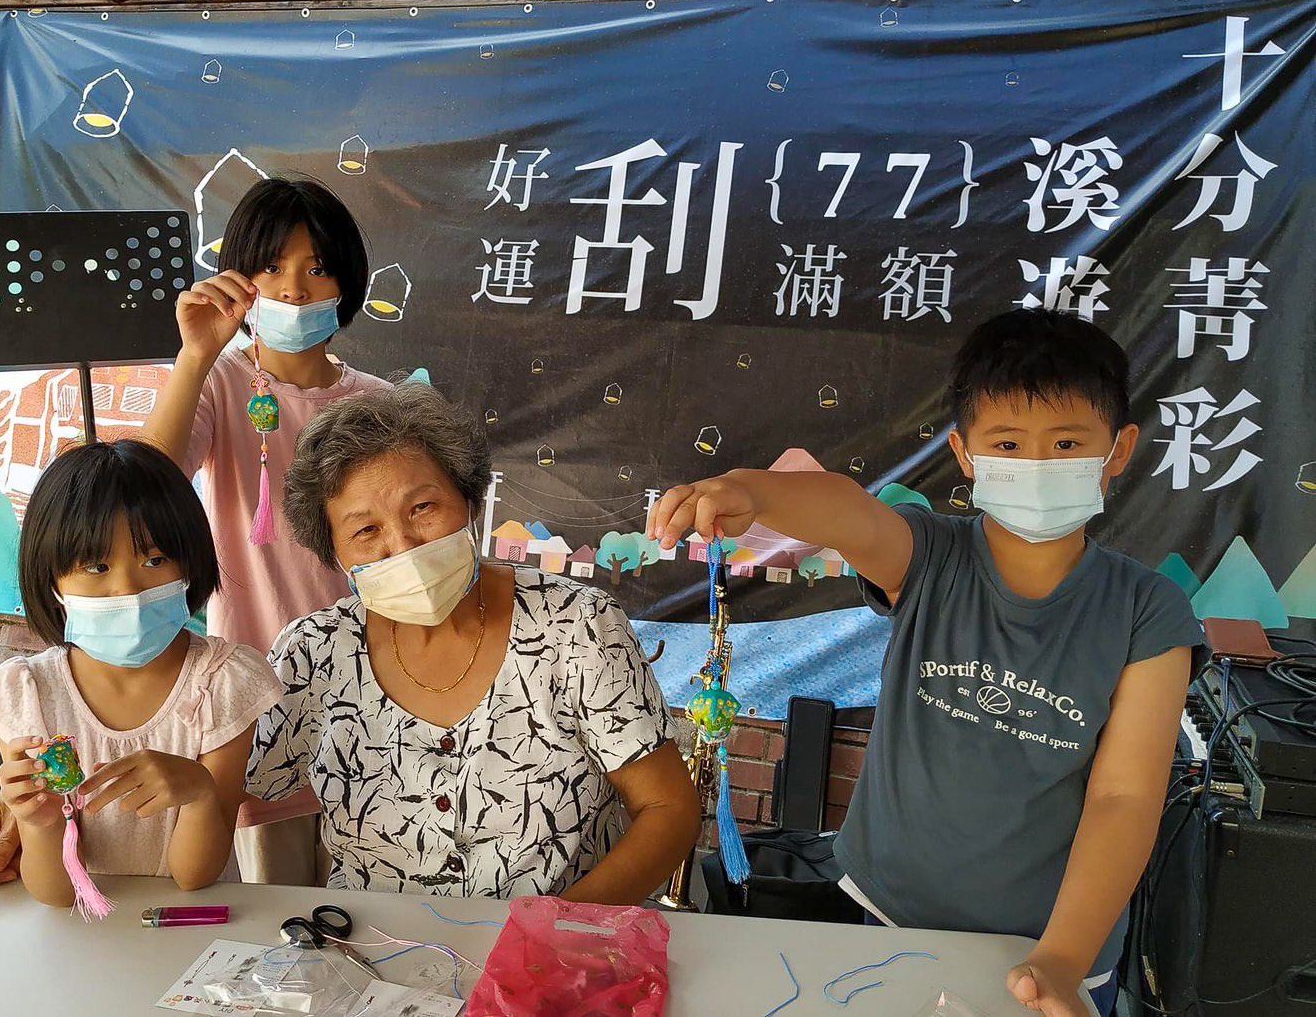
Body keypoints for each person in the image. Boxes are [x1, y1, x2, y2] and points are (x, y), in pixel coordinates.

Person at [649, 309, 1199, 1017]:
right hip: (881, 914)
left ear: (1117, 449)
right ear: (965, 454)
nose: (1037, 466)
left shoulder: (1148, 611)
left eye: (1067, 443)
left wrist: (1063, 957)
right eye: (1008, 443)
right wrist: (752, 490)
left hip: (1047, 953)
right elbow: (848, 512)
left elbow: (1124, 798)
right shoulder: (929, 555)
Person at [0, 176, 388, 889]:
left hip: (362, 688)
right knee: (265, 889)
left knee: (366, 879)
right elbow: (140, 494)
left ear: (348, 280)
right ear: (239, 278)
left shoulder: (378, 403)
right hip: (248, 694)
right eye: (271, 266)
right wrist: (196, 355)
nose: (293, 288)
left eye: (317, 267)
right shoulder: (219, 381)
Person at [246, 381, 702, 902]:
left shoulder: (576, 624)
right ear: (335, 555)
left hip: (558, 942)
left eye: (423, 507)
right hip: (374, 943)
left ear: (470, 502)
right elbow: (237, 783)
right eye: (366, 531)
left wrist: (552, 931)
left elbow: (668, 809)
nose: (403, 546)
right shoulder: (314, 653)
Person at [0, 440, 281, 905]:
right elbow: (56, 893)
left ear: (189, 561)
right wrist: (39, 821)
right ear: (51, 580)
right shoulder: (26, 694)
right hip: (82, 935)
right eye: (96, 566)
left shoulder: (223, 682)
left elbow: (195, 877)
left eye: (154, 560)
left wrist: (200, 793)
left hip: (189, 928)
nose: (127, 588)